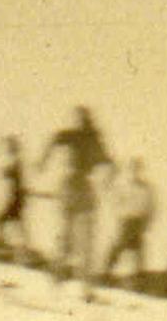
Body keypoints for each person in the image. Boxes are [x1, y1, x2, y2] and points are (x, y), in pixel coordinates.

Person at [36, 106, 111, 295]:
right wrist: (43, 160)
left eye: (80, 119)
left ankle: (74, 283)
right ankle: (67, 281)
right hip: (75, 188)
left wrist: (43, 160)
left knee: (75, 239)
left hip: (78, 188)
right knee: (71, 238)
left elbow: (108, 162)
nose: (78, 122)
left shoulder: (88, 138)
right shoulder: (87, 137)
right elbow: (108, 162)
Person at [102, 158, 156, 284]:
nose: (135, 172)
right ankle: (106, 273)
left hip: (139, 222)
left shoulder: (146, 188)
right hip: (126, 221)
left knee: (139, 250)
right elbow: (114, 201)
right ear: (129, 170)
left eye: (137, 169)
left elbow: (151, 206)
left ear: (140, 170)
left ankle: (140, 278)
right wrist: (121, 215)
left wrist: (147, 222)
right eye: (132, 169)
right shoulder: (124, 186)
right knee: (119, 246)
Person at [0, 136, 29, 262]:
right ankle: (21, 251)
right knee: (18, 226)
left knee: (0, 221)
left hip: (15, 200)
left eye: (10, 147)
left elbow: (6, 173)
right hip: (17, 199)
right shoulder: (18, 162)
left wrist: (3, 171)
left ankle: (6, 248)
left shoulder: (16, 163)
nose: (8, 149)